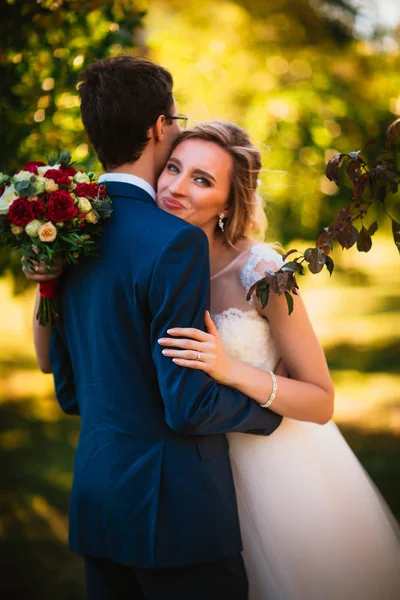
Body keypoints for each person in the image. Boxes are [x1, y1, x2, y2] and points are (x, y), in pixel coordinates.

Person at [30, 119, 400, 599]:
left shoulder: (262, 273)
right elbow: (51, 360)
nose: (176, 188)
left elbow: (321, 400)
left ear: (229, 202)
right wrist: (47, 283)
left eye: (202, 180)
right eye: (174, 169)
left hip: (268, 471)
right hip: (181, 482)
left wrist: (232, 371)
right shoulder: (139, 257)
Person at [23, 56, 283, 600]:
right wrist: (268, 416)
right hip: (177, 513)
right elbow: (185, 404)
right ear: (160, 128)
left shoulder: (69, 228)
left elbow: (66, 385)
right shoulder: (172, 241)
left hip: (97, 495)